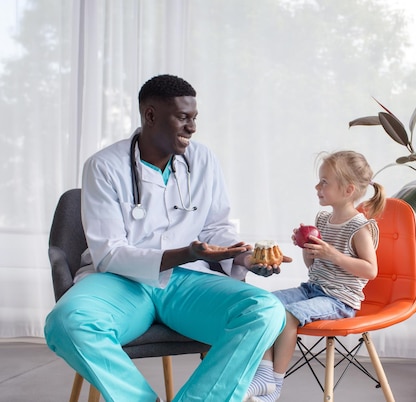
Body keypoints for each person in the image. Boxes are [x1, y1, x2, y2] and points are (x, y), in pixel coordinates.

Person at [44, 74, 290, 402]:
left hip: (186, 283)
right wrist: (186, 253)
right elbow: (109, 253)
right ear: (150, 115)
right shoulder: (104, 166)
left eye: (194, 119)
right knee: (65, 322)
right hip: (120, 282)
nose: (192, 127)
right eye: (182, 118)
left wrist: (243, 257)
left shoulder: (202, 160)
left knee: (266, 311)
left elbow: (216, 227)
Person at [244, 150, 386, 402]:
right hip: (313, 288)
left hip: (340, 300)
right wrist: (308, 250)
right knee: (263, 305)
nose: (317, 186)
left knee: (288, 317)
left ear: (347, 190)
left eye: (324, 181)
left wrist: (333, 255)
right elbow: (312, 266)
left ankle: (275, 384)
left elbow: (370, 270)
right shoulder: (322, 219)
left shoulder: (359, 227)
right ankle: (263, 376)